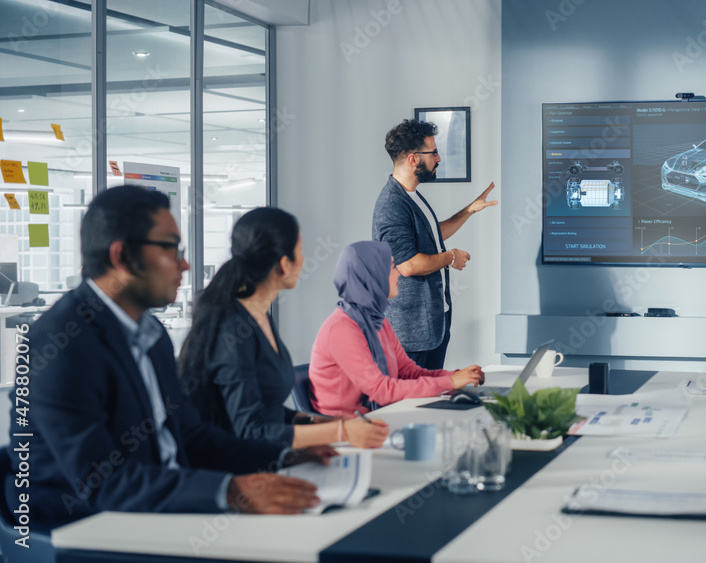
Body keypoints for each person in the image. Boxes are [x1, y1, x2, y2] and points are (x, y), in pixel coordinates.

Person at [5, 187, 333, 532]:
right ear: (123, 257)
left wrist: (283, 457)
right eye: (172, 248)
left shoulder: (151, 333)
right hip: (81, 527)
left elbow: (192, 437)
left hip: (158, 505)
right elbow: (102, 482)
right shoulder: (58, 344)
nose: (185, 264)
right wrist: (230, 491)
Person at [178, 208, 389, 449]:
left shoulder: (259, 315)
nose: (304, 259)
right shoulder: (234, 329)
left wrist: (325, 423)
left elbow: (269, 411)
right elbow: (251, 430)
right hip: (238, 471)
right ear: (284, 264)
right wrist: (340, 432)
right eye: (300, 250)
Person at [372, 119, 498, 369]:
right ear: (413, 159)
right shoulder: (392, 205)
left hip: (433, 326)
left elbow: (432, 234)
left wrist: (468, 210)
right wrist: (450, 257)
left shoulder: (412, 196)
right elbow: (407, 264)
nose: (438, 158)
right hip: (411, 334)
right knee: (411, 403)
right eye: (433, 152)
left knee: (430, 396)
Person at [309, 241, 485, 416]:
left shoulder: (377, 321)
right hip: (345, 431)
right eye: (393, 267)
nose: (400, 273)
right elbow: (381, 390)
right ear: (373, 275)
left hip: (375, 418)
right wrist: (451, 382)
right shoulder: (341, 329)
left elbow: (409, 372)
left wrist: (455, 376)